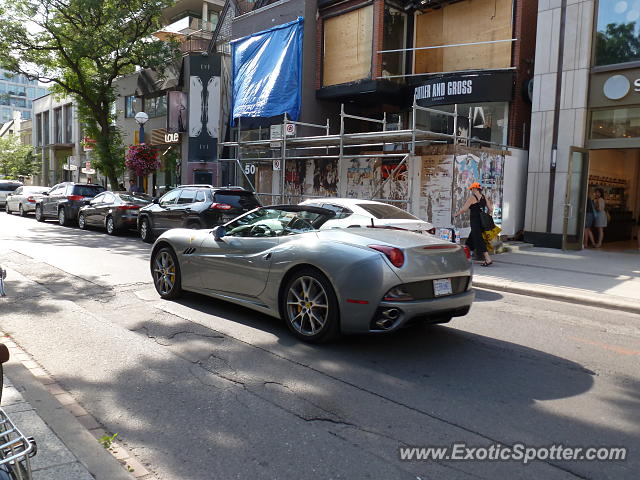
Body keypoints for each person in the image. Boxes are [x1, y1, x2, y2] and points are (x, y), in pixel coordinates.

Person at [453, 182, 493, 266]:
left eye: (472, 189)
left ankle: (487, 258)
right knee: (472, 238)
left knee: (478, 239)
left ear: (475, 189)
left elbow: (464, 209)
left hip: (475, 221)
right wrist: (487, 215)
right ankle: (464, 255)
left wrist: (456, 214)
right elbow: (490, 209)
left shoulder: (472, 198)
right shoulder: (484, 197)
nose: (471, 190)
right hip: (482, 222)